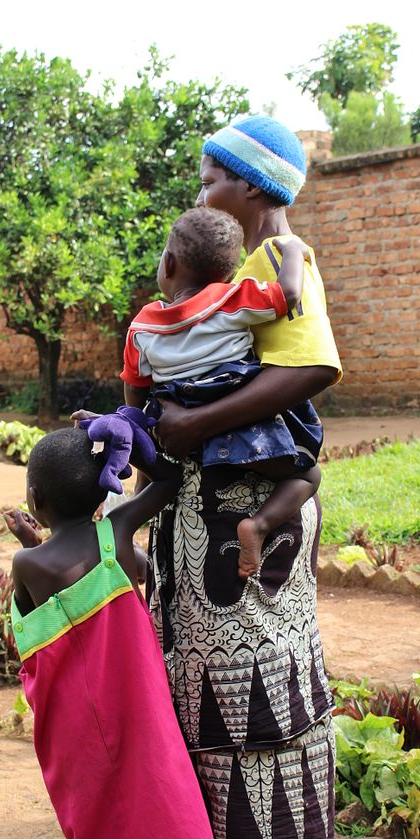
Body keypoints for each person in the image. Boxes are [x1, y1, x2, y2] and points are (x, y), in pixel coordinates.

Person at [74, 115, 345, 839]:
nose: (202, 193)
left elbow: (310, 370)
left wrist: (190, 427)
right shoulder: (258, 270)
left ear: (256, 188)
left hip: (228, 511)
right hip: (264, 505)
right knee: (283, 672)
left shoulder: (272, 264)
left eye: (210, 178)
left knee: (218, 687)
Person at [3, 420, 233, 839]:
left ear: (36, 500)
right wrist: (130, 440)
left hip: (79, 726)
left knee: (99, 825)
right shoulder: (119, 532)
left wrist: (34, 542)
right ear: (106, 488)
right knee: (158, 809)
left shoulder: (27, 565)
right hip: (140, 712)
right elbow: (172, 479)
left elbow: (43, 618)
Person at [121, 205, 322, 578]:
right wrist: (293, 249)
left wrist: (142, 432)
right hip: (249, 431)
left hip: (183, 437)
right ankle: (259, 525)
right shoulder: (235, 299)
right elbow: (290, 293)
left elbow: (134, 390)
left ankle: (127, 529)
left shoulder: (142, 327)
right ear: (230, 272)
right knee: (309, 475)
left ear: (167, 264)